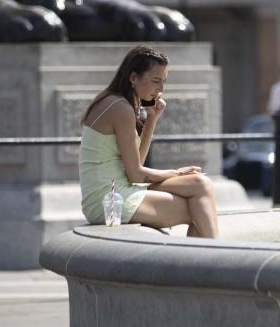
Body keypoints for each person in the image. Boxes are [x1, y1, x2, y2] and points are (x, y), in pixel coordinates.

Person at [79, 45, 219, 238]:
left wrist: (151, 118)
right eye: (155, 81)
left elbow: (136, 164)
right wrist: (175, 173)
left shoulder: (118, 103)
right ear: (133, 77)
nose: (160, 89)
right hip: (109, 201)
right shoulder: (120, 108)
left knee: (200, 183)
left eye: (163, 82)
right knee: (199, 211)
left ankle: (208, 259)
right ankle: (216, 259)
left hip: (120, 189)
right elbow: (136, 175)